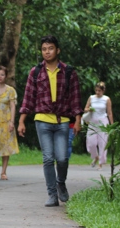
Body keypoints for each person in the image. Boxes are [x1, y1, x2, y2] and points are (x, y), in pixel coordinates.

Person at [18, 35, 83, 207]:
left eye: (50, 48)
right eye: (44, 49)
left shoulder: (69, 72)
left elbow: (75, 98)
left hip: (62, 120)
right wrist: (22, 121)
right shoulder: (36, 71)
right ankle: (52, 194)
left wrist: (77, 120)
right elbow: (28, 97)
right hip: (42, 120)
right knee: (48, 158)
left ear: (57, 50)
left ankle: (60, 182)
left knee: (62, 158)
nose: (47, 52)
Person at [83, 82, 112, 170]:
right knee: (91, 143)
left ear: (103, 91)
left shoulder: (106, 99)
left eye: (99, 91)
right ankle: (96, 157)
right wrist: (89, 110)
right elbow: (85, 109)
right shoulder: (91, 98)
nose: (97, 92)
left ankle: (100, 163)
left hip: (103, 121)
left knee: (102, 143)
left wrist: (112, 125)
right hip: (92, 122)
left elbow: (109, 113)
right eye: (96, 90)